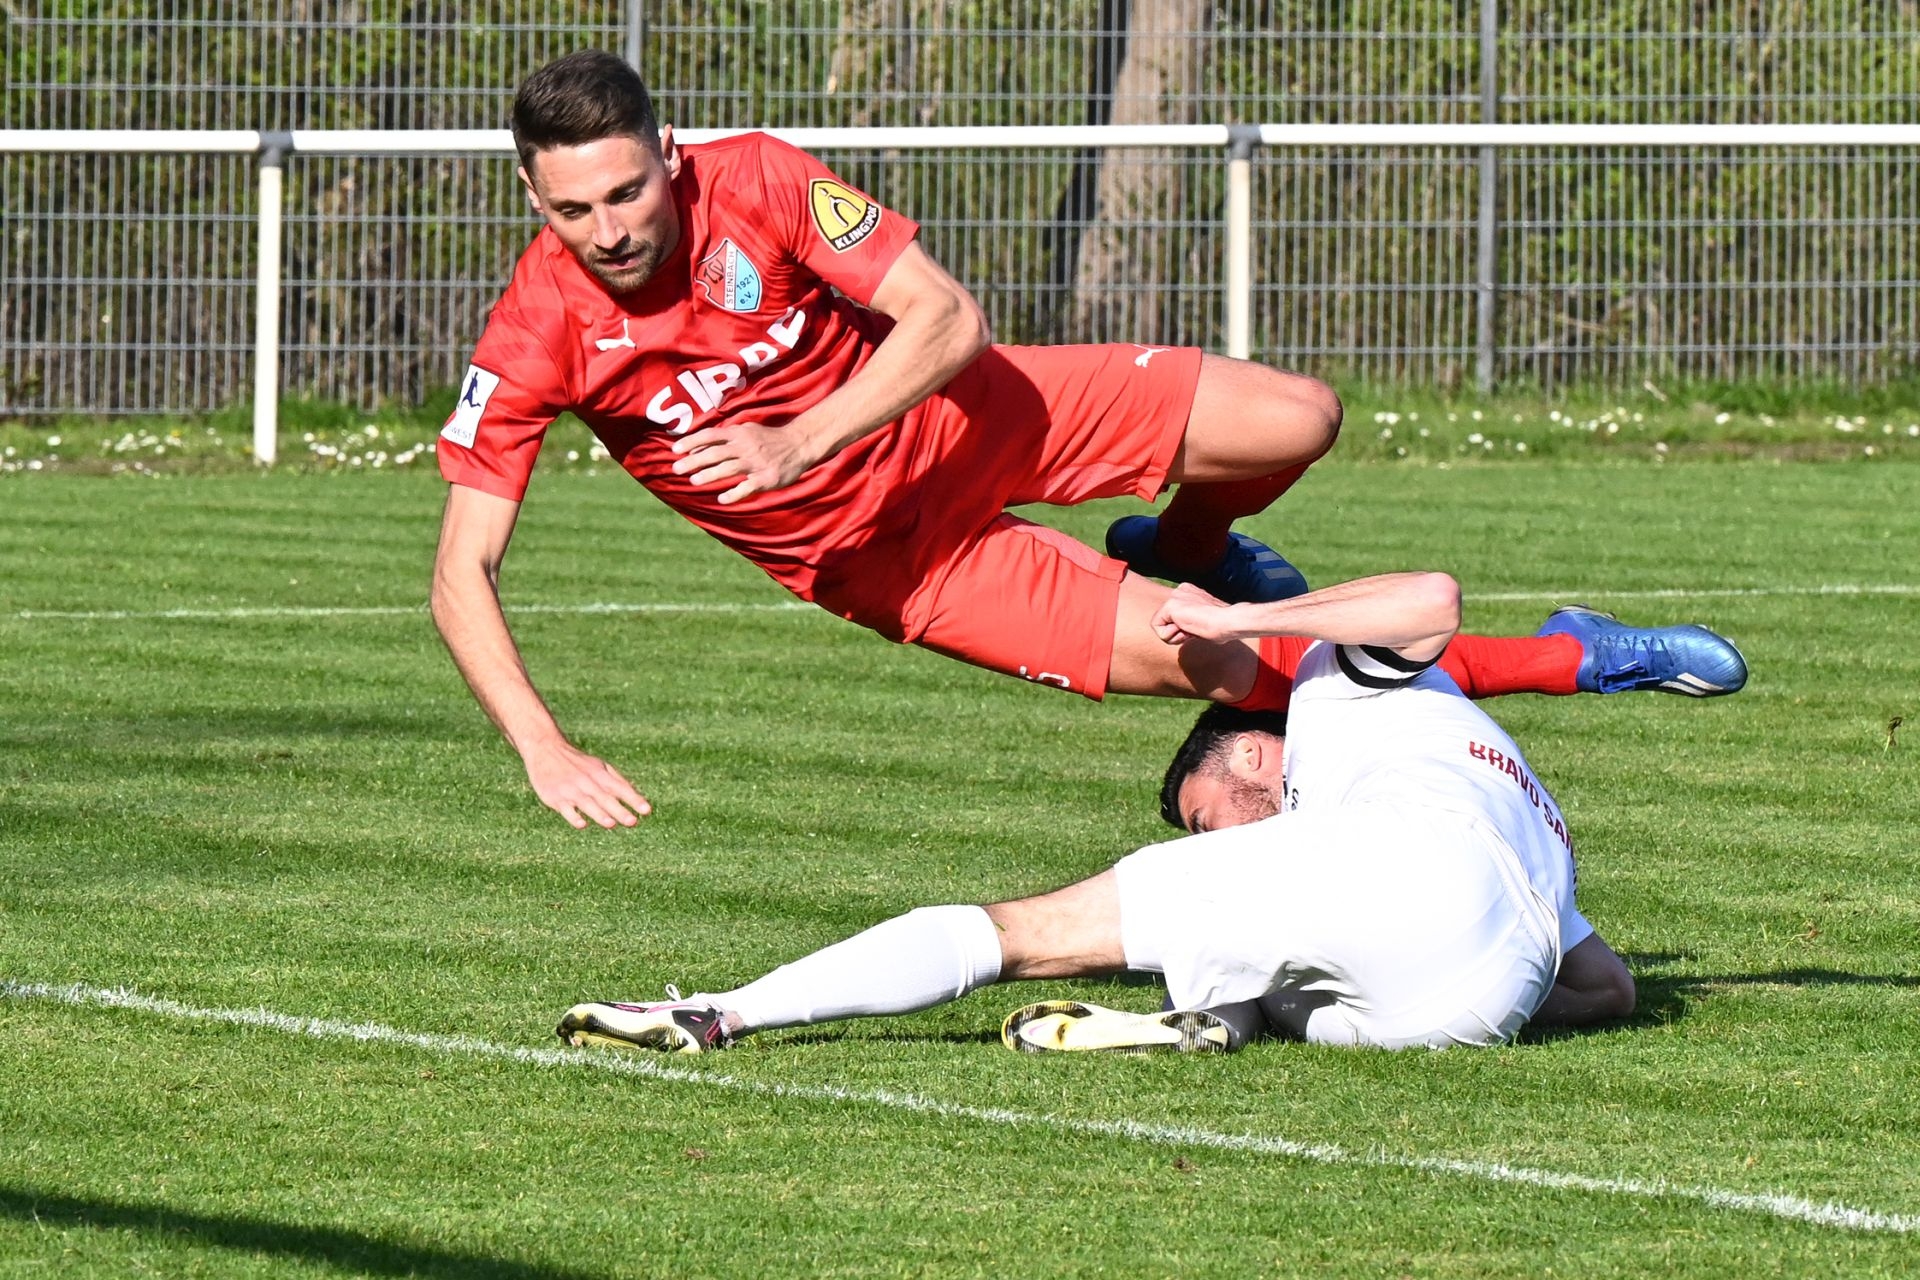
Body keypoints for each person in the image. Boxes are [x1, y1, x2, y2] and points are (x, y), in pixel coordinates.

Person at [432, 50, 1747, 830]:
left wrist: (799, 441)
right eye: (573, 211)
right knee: (1249, 670)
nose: (609, 230)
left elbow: (946, 319)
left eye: (627, 192)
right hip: (902, 563)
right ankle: (1576, 656)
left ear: (669, 154)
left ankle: (1195, 542)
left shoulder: (760, 177)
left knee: (1300, 417)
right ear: (534, 200)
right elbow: (460, 573)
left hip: (973, 412)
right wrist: (543, 745)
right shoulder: (537, 330)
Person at [554, 570, 1637, 1056]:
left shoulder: (1326, 688)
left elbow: (1433, 598)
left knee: (1024, 931)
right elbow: (1608, 989)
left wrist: (1240, 616)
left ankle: (722, 1012)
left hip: (1402, 882)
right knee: (1286, 985)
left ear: (1250, 749)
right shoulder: (1504, 783)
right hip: (1481, 998)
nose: (1220, 836)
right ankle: (1199, 1023)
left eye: (1208, 819)